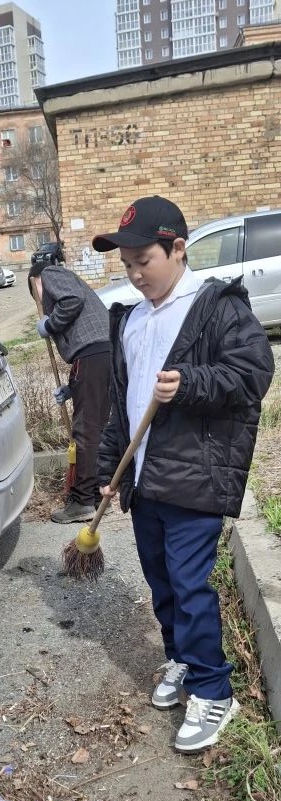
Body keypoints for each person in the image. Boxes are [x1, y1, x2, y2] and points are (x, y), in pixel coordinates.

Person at [92, 195, 274, 753]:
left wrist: (192, 382)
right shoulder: (131, 319)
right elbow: (123, 406)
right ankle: (182, 659)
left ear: (177, 248)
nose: (135, 274)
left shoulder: (217, 307)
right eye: (127, 264)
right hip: (145, 480)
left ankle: (214, 690)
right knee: (162, 582)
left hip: (196, 477)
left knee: (191, 584)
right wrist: (110, 469)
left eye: (144, 260)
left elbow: (252, 374)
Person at [28, 262, 111, 523]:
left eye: (35, 292)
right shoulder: (71, 283)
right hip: (104, 355)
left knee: (85, 430)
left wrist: (50, 324)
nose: (40, 299)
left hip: (93, 356)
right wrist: (73, 387)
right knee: (97, 428)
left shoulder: (49, 274)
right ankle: (97, 496)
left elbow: (72, 300)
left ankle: (83, 501)